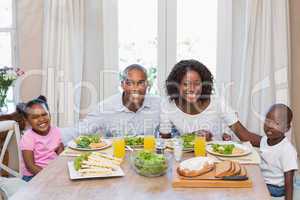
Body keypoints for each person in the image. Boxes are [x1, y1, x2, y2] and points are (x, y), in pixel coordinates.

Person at [159, 59, 258, 141]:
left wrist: (271, 142)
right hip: (187, 158)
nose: (192, 89)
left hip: (216, 158)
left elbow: (245, 135)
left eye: (197, 84)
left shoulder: (217, 103)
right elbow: (166, 142)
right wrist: (192, 137)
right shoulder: (168, 105)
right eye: (186, 84)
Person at [61, 64, 160, 144]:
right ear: (122, 85)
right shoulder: (106, 108)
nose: (135, 88)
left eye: (141, 83)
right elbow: (81, 129)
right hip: (117, 159)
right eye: (130, 83)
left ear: (147, 85)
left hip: (149, 160)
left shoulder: (159, 104)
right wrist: (53, 135)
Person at [238, 104, 297, 199]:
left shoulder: (287, 150)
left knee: (248, 190)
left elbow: (289, 184)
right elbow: (246, 138)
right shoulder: (265, 140)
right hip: (265, 180)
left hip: (275, 188)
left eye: (276, 124)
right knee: (242, 179)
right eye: (267, 121)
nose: (269, 126)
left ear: (286, 128)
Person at [19, 96, 64, 182]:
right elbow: (30, 166)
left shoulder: (56, 130)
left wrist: (60, 168)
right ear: (27, 120)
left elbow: (60, 152)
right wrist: (49, 176)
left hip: (52, 171)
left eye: (44, 114)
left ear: (49, 114)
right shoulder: (28, 137)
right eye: (35, 117)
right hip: (33, 175)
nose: (41, 119)